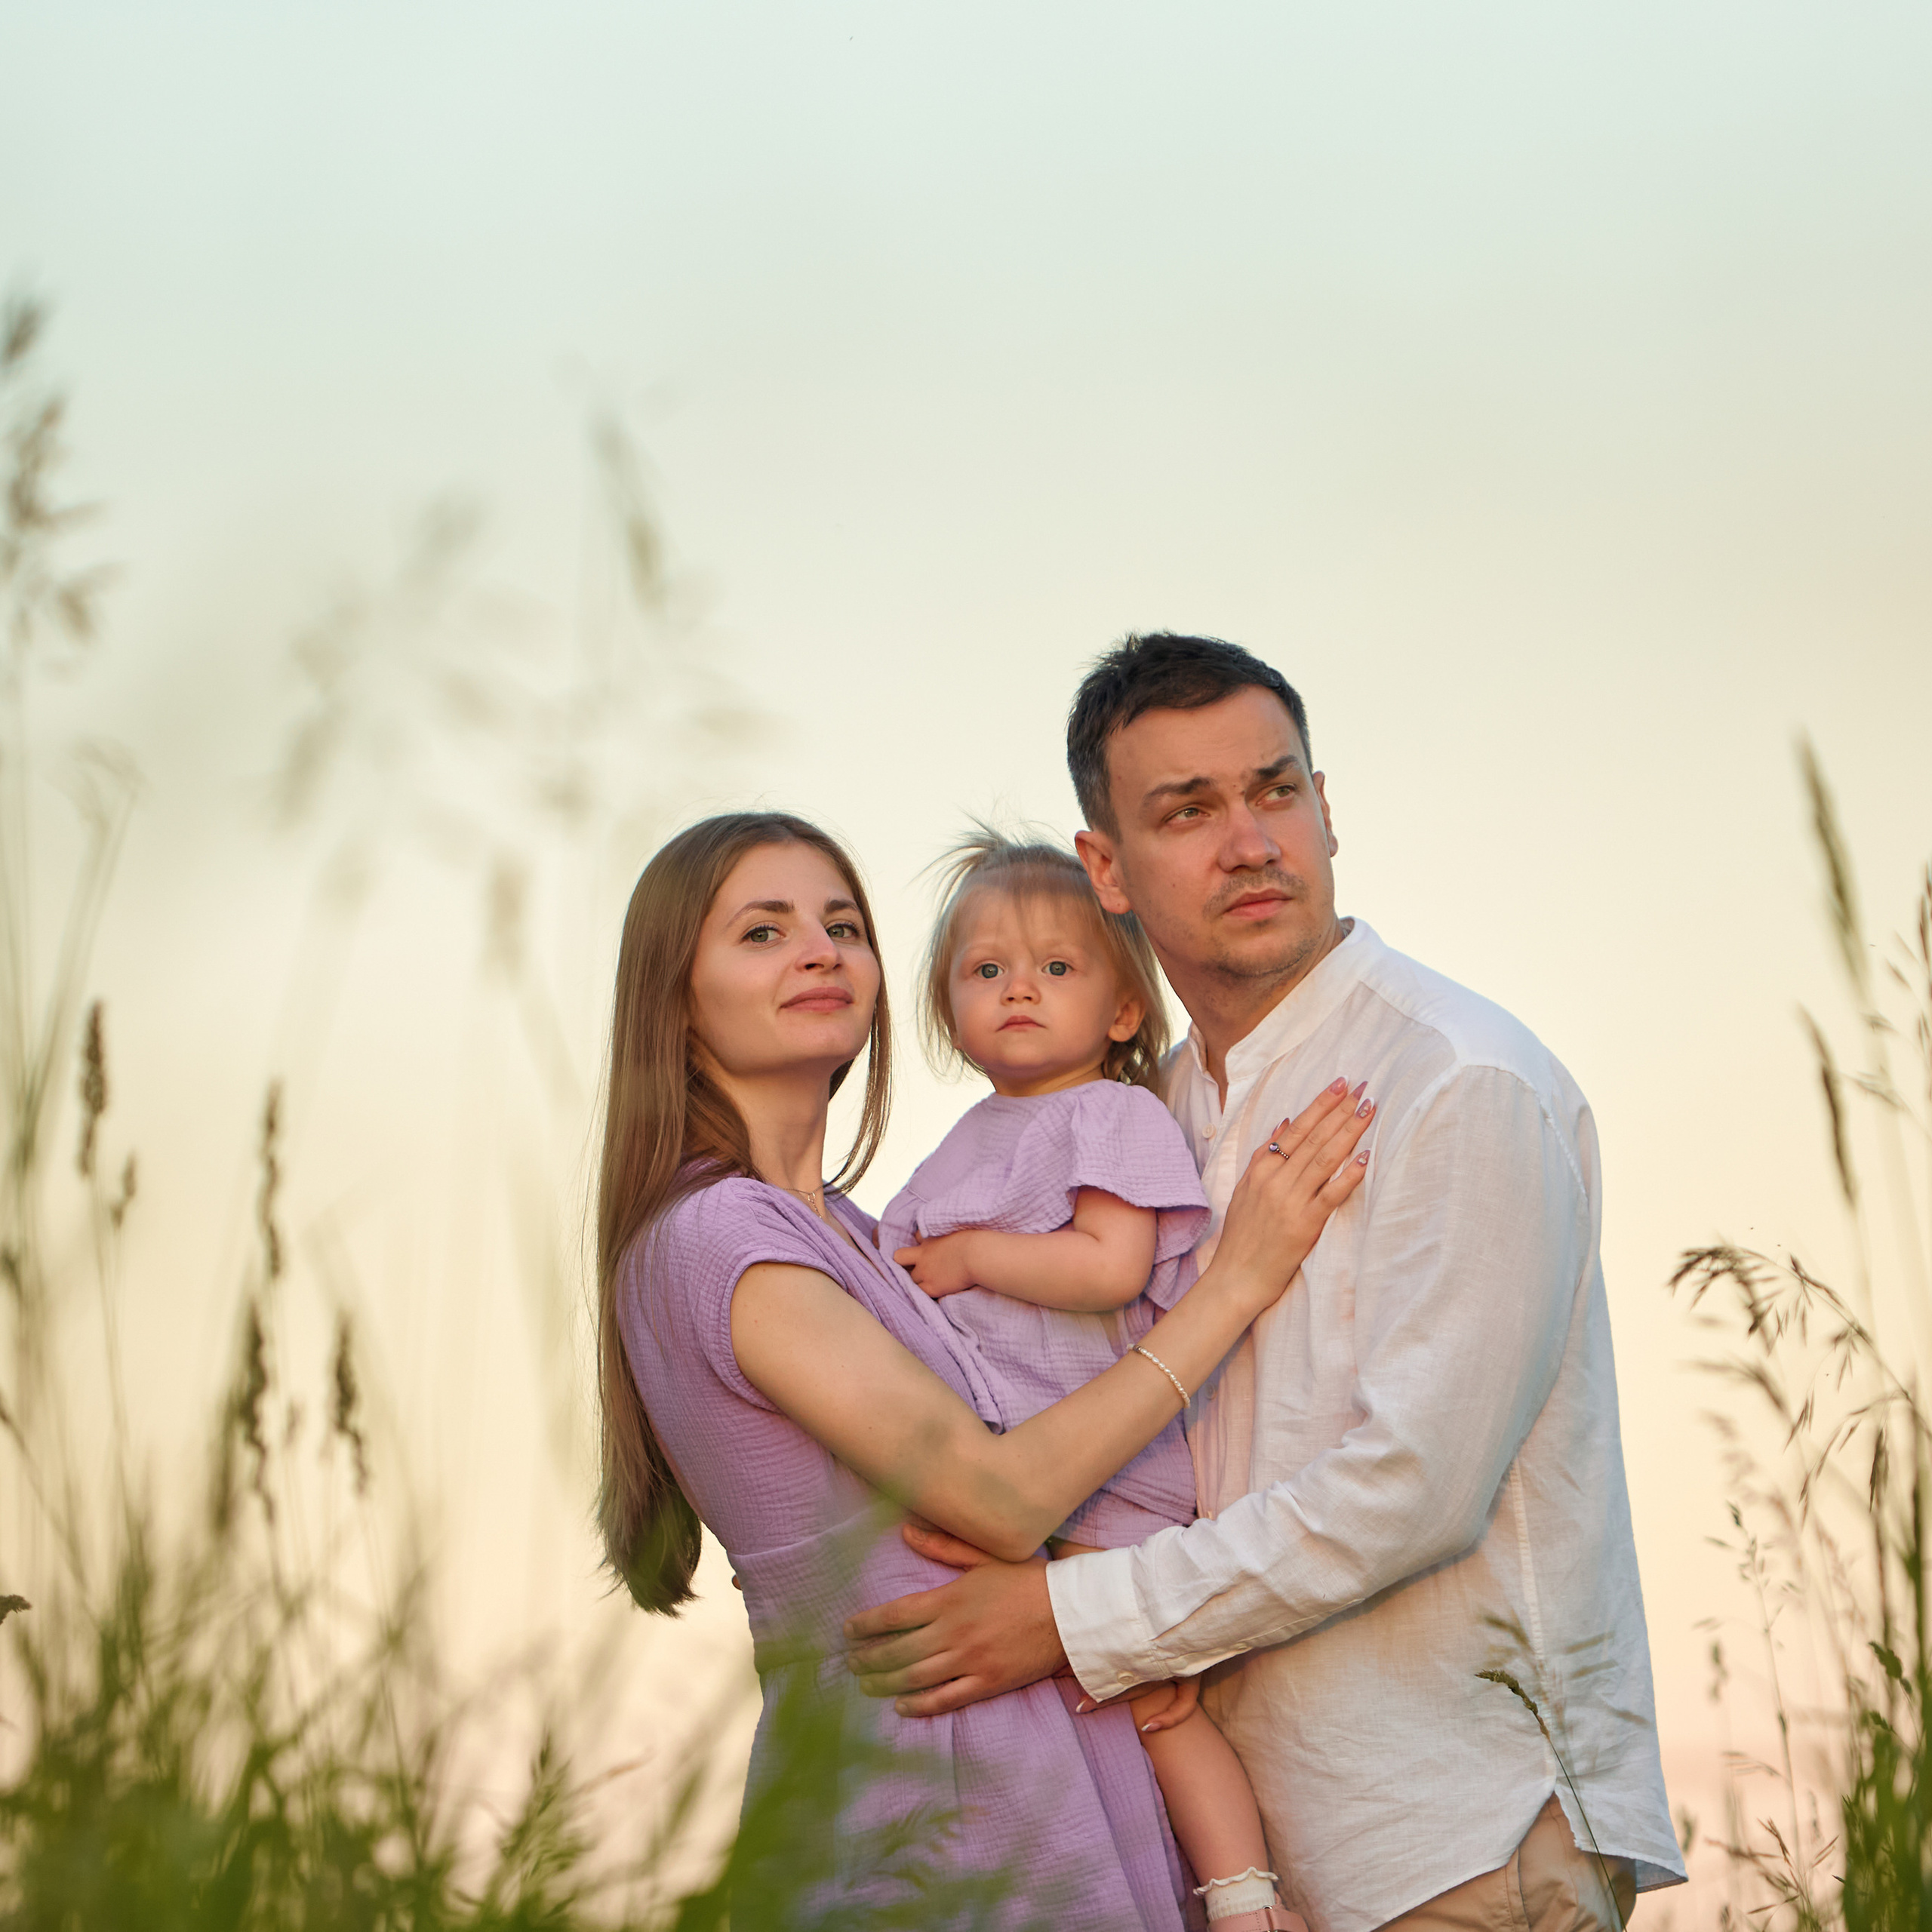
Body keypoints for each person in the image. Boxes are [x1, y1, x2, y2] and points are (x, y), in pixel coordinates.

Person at [844, 636, 1688, 1932]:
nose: (1250, 844)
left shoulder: (1456, 1080)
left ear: (1327, 808)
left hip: (1453, 1840)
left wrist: (1070, 1616)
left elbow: (1414, 1489)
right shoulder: (1150, 1116)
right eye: (1189, 812)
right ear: (1107, 870)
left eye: (1275, 791)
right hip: (1232, 1858)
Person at [595, 808, 1373, 1927]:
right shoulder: (717, 1234)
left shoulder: (864, 1232)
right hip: (931, 1790)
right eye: (763, 932)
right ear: (673, 994)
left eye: (843, 926)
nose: (819, 952)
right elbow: (1000, 1499)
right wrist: (1235, 1282)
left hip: (1045, 1761)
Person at [883, 829, 1308, 1930]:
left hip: (1111, 1469)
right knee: (1068, 1696)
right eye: (987, 970)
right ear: (950, 1010)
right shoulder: (959, 1144)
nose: (1019, 989)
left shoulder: (1112, 1113)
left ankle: (1246, 1900)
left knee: (1156, 1702)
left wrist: (973, 1257)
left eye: (1057, 967)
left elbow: (1111, 1265)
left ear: (1123, 1010)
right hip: (1020, 1472)